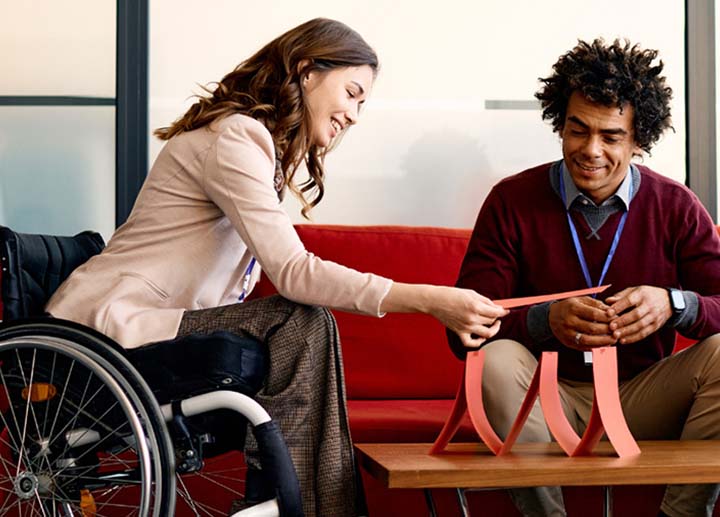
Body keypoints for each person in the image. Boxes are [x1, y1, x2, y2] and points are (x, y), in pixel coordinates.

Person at [45, 18, 507, 517]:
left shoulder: (252, 145)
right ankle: (295, 504)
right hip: (113, 328)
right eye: (352, 93)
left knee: (302, 324)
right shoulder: (236, 138)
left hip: (159, 328)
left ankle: (298, 503)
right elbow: (294, 273)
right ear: (307, 71)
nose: (354, 115)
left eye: (362, 103)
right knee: (299, 318)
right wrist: (430, 300)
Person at [448, 38, 720, 517]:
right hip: (543, 399)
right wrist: (543, 321)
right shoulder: (511, 201)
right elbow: (464, 332)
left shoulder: (675, 206)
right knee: (493, 360)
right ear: (561, 124)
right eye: (578, 131)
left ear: (639, 140)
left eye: (611, 136)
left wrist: (675, 305)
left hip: (643, 398)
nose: (590, 151)